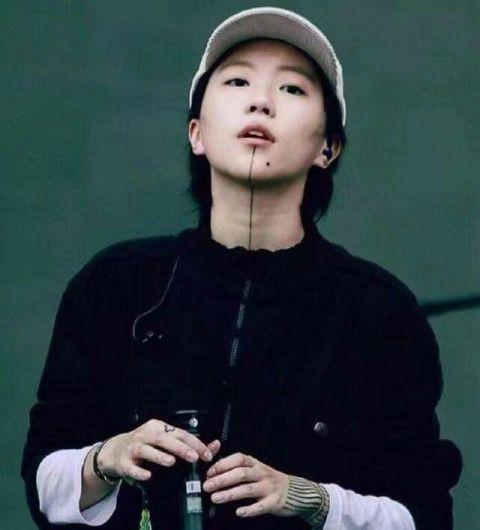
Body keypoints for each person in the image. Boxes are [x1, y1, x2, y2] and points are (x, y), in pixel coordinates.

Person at [21, 6, 463, 530]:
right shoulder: (116, 283)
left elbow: (424, 515)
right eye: (236, 81)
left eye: (292, 89)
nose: (261, 100)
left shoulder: (379, 311)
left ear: (328, 147)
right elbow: (43, 485)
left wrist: (311, 499)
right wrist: (106, 458)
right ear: (196, 133)